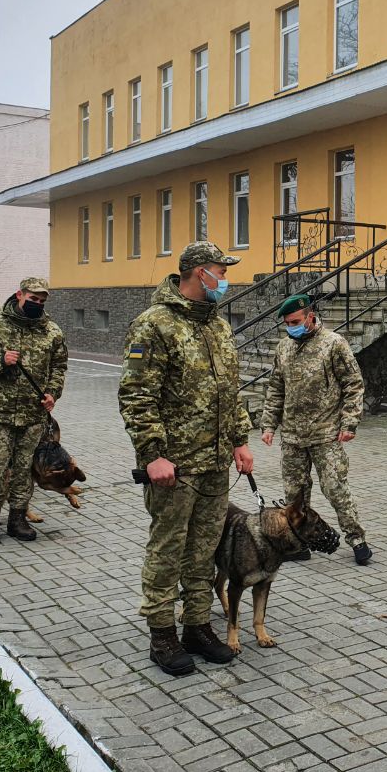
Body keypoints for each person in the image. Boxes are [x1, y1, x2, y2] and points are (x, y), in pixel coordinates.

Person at [119, 241, 254, 677]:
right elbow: (137, 395)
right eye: (221, 270)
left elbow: (229, 391)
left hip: (215, 462)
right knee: (168, 549)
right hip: (174, 466)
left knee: (203, 550)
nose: (225, 278)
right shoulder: (154, 324)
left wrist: (239, 440)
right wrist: (153, 454)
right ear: (199, 273)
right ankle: (162, 634)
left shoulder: (215, 324)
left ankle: (197, 625)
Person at [259, 293, 371, 566]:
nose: (291, 326)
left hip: (326, 434)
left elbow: (353, 385)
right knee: (294, 495)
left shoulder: (334, 344)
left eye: (295, 321)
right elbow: (276, 388)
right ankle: (298, 542)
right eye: (287, 323)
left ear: (310, 317)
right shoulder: (284, 348)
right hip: (293, 436)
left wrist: (349, 422)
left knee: (335, 489)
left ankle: (356, 539)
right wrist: (268, 424)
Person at [0, 277, 68, 545]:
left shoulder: (51, 331)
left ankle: (18, 518)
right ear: (19, 295)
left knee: (25, 470)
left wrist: (53, 393)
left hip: (32, 415)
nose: (37, 304)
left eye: (41, 301)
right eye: (32, 299)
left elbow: (59, 367)